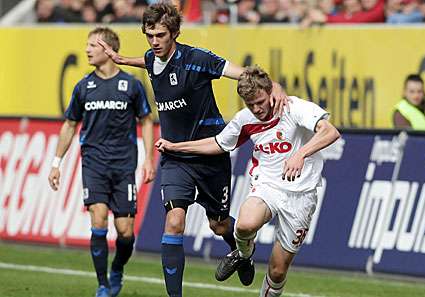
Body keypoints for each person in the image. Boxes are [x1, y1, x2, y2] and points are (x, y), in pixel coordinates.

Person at [97, 3, 288, 296]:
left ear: (174, 33)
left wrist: (272, 85)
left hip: (210, 155)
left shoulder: (197, 59)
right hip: (174, 157)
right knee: (174, 222)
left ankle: (243, 253)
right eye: (149, 35)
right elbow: (146, 60)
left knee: (219, 224)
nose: (154, 41)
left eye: (160, 35)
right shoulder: (152, 58)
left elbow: (239, 73)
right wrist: (120, 58)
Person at [155, 65, 340, 297]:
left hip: (301, 195)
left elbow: (330, 132)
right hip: (267, 186)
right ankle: (243, 254)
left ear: (270, 91)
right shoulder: (245, 119)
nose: (257, 109)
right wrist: (175, 146)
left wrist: (300, 154)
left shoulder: (294, 108)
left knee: (278, 270)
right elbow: (217, 143)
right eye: (250, 104)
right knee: (244, 225)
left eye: (260, 102)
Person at [47, 27, 155, 297]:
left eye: (93, 45)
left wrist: (149, 159)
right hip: (94, 164)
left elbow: (146, 121)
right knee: (98, 220)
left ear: (109, 50)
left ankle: (117, 267)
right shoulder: (83, 86)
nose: (87, 50)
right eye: (87, 45)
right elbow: (70, 125)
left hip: (123, 166)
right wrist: (56, 162)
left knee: (125, 232)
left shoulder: (131, 85)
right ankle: (103, 284)